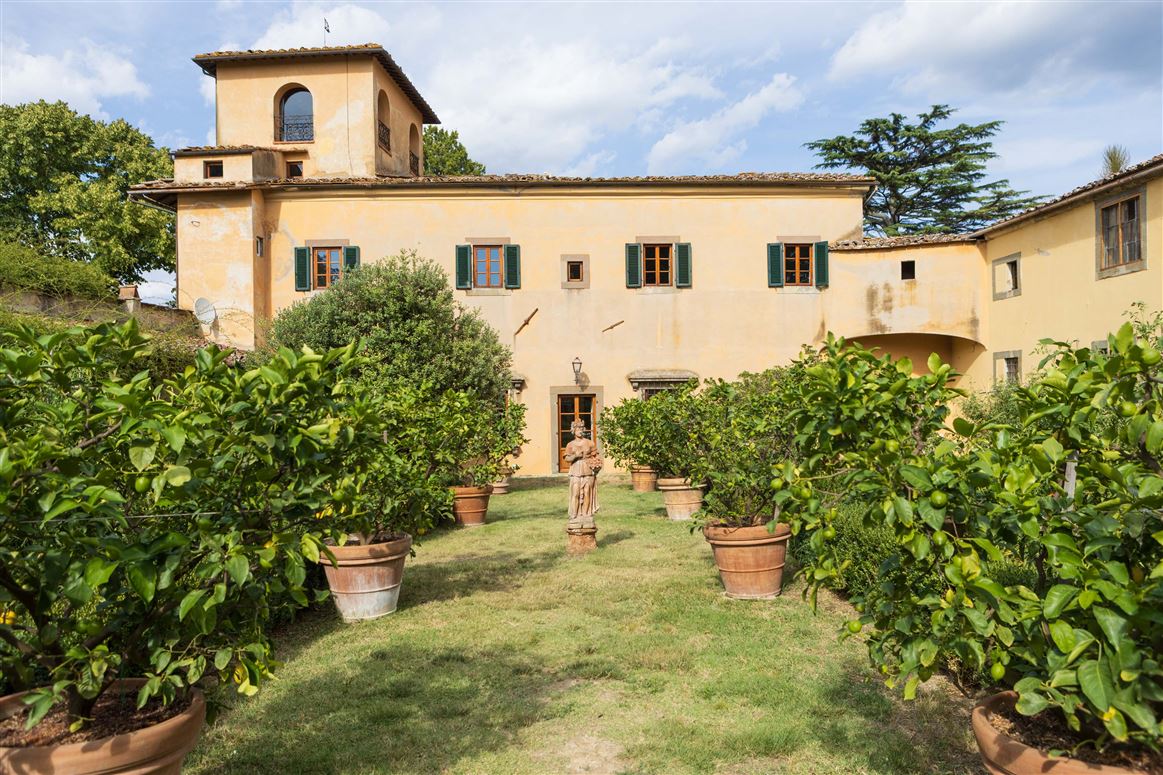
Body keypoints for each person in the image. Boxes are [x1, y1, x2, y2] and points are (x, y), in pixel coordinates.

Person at [564, 419, 602, 529]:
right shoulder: (570, 444)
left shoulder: (589, 443)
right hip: (575, 470)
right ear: (573, 430)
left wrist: (597, 465)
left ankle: (587, 515)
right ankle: (574, 515)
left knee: (587, 492)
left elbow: (596, 456)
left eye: (581, 428)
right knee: (575, 492)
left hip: (587, 469)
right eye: (577, 429)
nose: (580, 430)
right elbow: (567, 458)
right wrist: (575, 456)